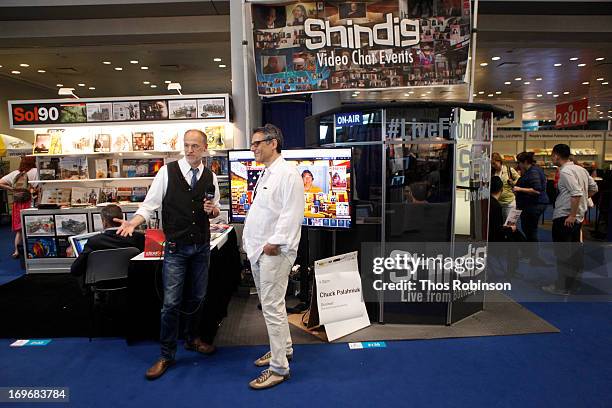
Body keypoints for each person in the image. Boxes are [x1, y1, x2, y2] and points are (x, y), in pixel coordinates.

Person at [115, 129, 221, 380]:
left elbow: (214, 210)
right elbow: (149, 205)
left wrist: (213, 211)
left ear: (204, 148)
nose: (190, 150)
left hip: (201, 246)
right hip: (176, 247)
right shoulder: (167, 172)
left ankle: (193, 339)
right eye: (187, 145)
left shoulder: (210, 176)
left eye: (195, 146)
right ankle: (166, 354)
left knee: (198, 297)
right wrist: (134, 222)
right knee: (171, 303)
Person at [242, 124, 304, 390]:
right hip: (261, 252)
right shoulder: (268, 173)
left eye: (257, 143)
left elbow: (292, 215)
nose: (253, 148)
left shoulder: (288, 174)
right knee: (272, 307)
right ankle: (283, 349)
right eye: (253, 143)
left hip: (274, 253)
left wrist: (273, 244)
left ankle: (279, 368)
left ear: (273, 143)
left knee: (272, 308)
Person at [542, 144, 598, 295]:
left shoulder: (566, 171)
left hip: (565, 217)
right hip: (577, 218)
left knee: (562, 254)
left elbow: (576, 192)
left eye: (552, 155)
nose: (551, 157)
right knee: (573, 254)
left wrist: (572, 214)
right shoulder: (581, 169)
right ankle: (571, 285)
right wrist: (580, 207)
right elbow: (593, 188)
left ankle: (562, 287)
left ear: (557, 155)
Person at [69, 204, 144, 279]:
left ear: (104, 222)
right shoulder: (138, 237)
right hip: (132, 283)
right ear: (122, 219)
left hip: (101, 285)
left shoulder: (94, 241)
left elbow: (75, 270)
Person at [513, 151, 549, 265]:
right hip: (530, 205)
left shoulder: (533, 172)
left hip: (534, 205)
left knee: (531, 230)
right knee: (528, 229)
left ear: (525, 162)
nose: (518, 165)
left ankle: (534, 257)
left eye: (519, 162)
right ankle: (531, 255)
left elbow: (536, 190)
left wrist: (519, 189)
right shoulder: (532, 170)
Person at [0, 156, 37, 259]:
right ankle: (31, 249)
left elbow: (0, 182)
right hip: (30, 202)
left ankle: (16, 251)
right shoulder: (35, 171)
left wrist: (11, 188)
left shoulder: (15, 173)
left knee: (19, 230)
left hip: (17, 204)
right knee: (33, 227)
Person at [491, 152, 519, 221]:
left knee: (510, 225)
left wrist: (513, 183)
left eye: (494, 163)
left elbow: (519, 179)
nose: (493, 166)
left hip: (509, 203)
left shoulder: (509, 170)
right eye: (491, 164)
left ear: (499, 161)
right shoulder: (492, 172)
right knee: (500, 225)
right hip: (497, 204)